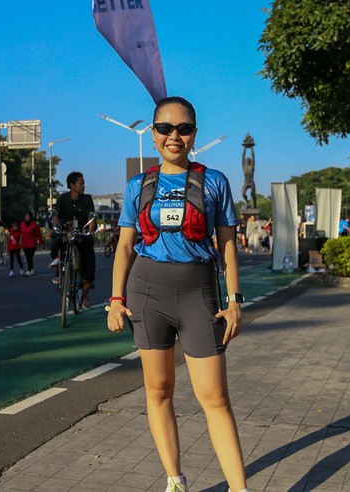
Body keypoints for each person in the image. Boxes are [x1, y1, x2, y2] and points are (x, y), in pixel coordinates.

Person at [107, 96, 249, 492]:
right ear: (153, 134)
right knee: (158, 391)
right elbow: (124, 247)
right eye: (165, 128)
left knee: (215, 398)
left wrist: (234, 301)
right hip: (147, 292)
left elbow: (227, 246)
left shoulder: (214, 181)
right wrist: (116, 299)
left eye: (184, 128)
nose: (174, 136)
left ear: (194, 135)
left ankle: (240, 489)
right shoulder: (138, 186)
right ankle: (175, 479)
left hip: (197, 293)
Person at [53, 171, 96, 309]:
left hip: (82, 235)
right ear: (72, 185)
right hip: (67, 234)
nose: (83, 186)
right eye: (81, 183)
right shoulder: (62, 198)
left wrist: (90, 231)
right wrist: (54, 227)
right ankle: (59, 271)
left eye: (83, 183)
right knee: (55, 245)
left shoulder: (87, 199)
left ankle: (85, 296)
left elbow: (91, 217)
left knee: (89, 263)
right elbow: (56, 216)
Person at [20, 212, 44, 276]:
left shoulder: (34, 225)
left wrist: (42, 243)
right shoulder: (22, 224)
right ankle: (32, 268)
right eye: (26, 216)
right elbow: (20, 233)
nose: (27, 217)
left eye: (28, 216)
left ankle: (28, 270)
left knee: (30, 257)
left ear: (30, 217)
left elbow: (39, 234)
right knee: (27, 257)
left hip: (32, 244)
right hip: (25, 244)